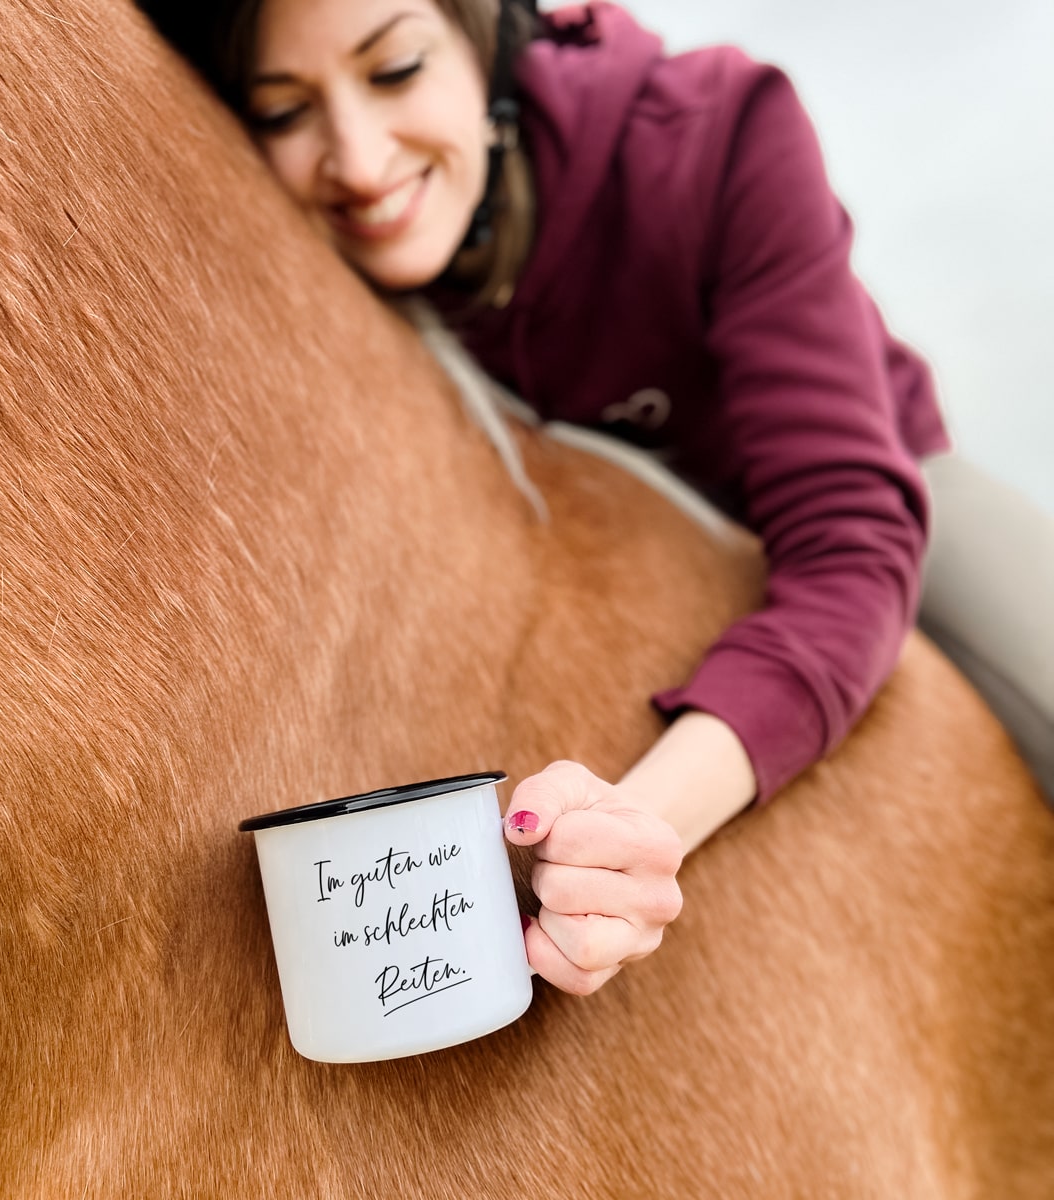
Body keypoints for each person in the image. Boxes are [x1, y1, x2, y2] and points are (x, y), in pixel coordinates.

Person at [202, 0, 1054, 995]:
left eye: (394, 71)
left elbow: (848, 542)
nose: (355, 157)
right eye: (282, 109)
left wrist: (641, 825)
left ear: (481, 45)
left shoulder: (722, 129)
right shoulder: (315, 247)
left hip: (857, 513)